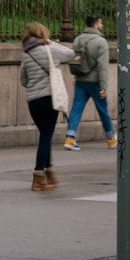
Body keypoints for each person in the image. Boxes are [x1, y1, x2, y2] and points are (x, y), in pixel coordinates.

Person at [19, 21, 75, 192]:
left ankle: (49, 173)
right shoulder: (50, 48)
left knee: (45, 136)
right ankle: (38, 176)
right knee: (45, 137)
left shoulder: (26, 54)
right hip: (49, 99)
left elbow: (23, 80)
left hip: (33, 102)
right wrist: (51, 42)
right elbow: (71, 53)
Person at [64, 14, 116, 152]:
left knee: (76, 108)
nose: (102, 25)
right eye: (100, 23)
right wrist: (104, 86)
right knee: (102, 109)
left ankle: (70, 137)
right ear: (95, 24)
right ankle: (111, 138)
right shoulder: (101, 42)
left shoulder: (78, 39)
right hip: (95, 82)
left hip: (80, 80)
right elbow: (103, 66)